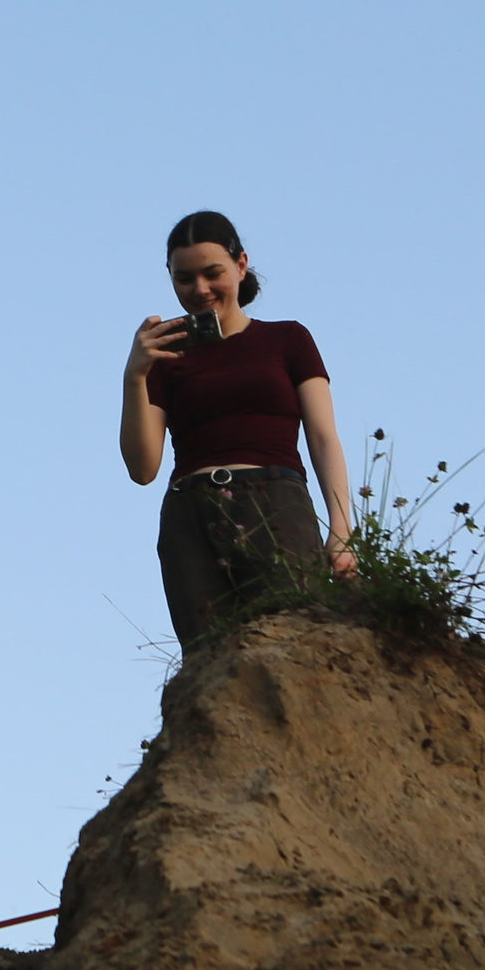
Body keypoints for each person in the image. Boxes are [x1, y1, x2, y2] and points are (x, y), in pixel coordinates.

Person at [120, 211, 357, 647]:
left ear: (241, 265)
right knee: (211, 661)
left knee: (294, 644)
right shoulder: (163, 359)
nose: (200, 290)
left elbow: (324, 438)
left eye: (213, 274)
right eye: (185, 278)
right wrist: (134, 375)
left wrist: (341, 529)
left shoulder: (287, 339)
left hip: (275, 501)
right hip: (190, 514)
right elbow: (143, 468)